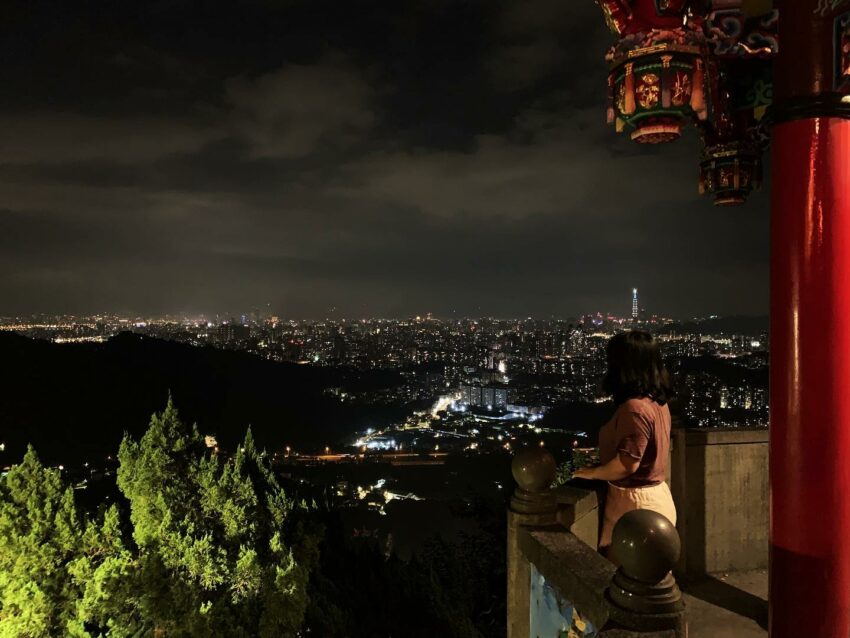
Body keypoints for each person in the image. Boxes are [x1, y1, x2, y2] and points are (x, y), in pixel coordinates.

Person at [572, 330, 676, 557]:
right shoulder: (658, 403)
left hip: (635, 506)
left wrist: (592, 473)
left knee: (626, 579)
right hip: (655, 499)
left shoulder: (635, 409)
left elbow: (627, 464)